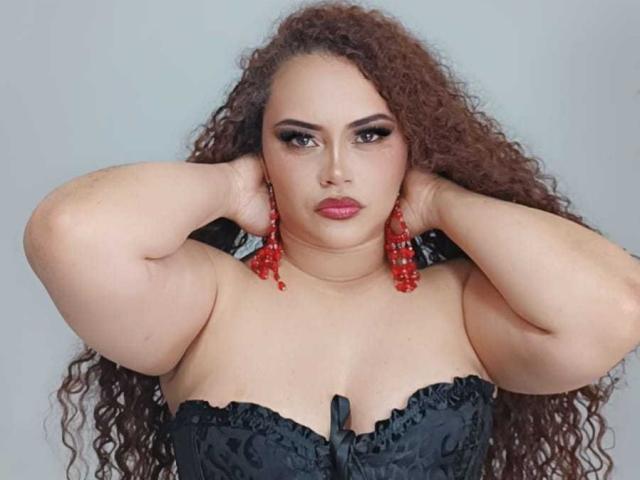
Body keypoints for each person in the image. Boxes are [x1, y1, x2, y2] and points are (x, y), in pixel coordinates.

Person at [22, 1, 640, 479]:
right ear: (263, 149)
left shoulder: (465, 305)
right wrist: (232, 185)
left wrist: (440, 200)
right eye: (299, 139)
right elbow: (66, 233)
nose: (336, 170)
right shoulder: (205, 301)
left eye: (370, 135)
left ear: (413, 144)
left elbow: (618, 308)